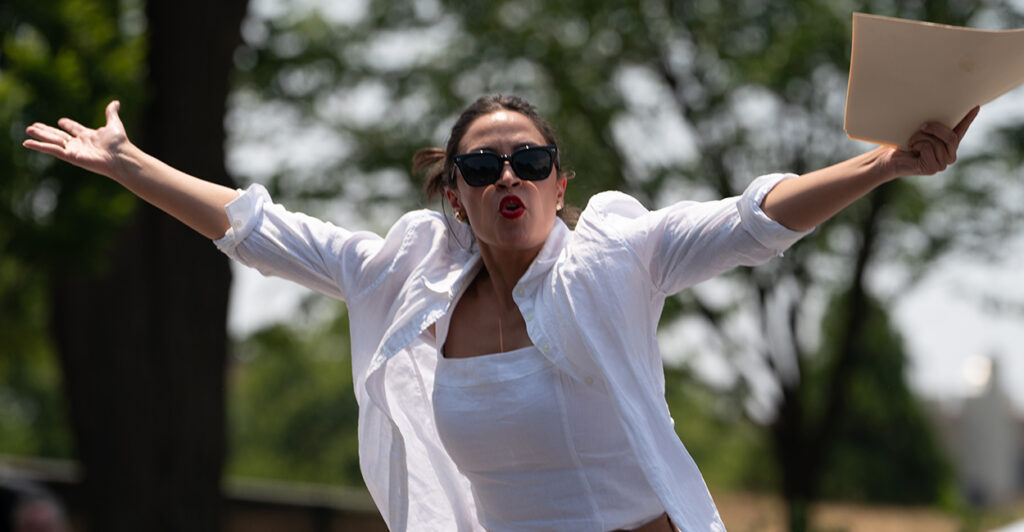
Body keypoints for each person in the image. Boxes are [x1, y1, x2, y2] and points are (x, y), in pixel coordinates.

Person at [23, 95, 977, 531]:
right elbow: (260, 229)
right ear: (456, 195)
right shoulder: (404, 282)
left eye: (529, 160)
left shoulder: (619, 257)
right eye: (481, 165)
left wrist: (884, 162)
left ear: (561, 183)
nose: (506, 175)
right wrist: (130, 165)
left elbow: (752, 220)